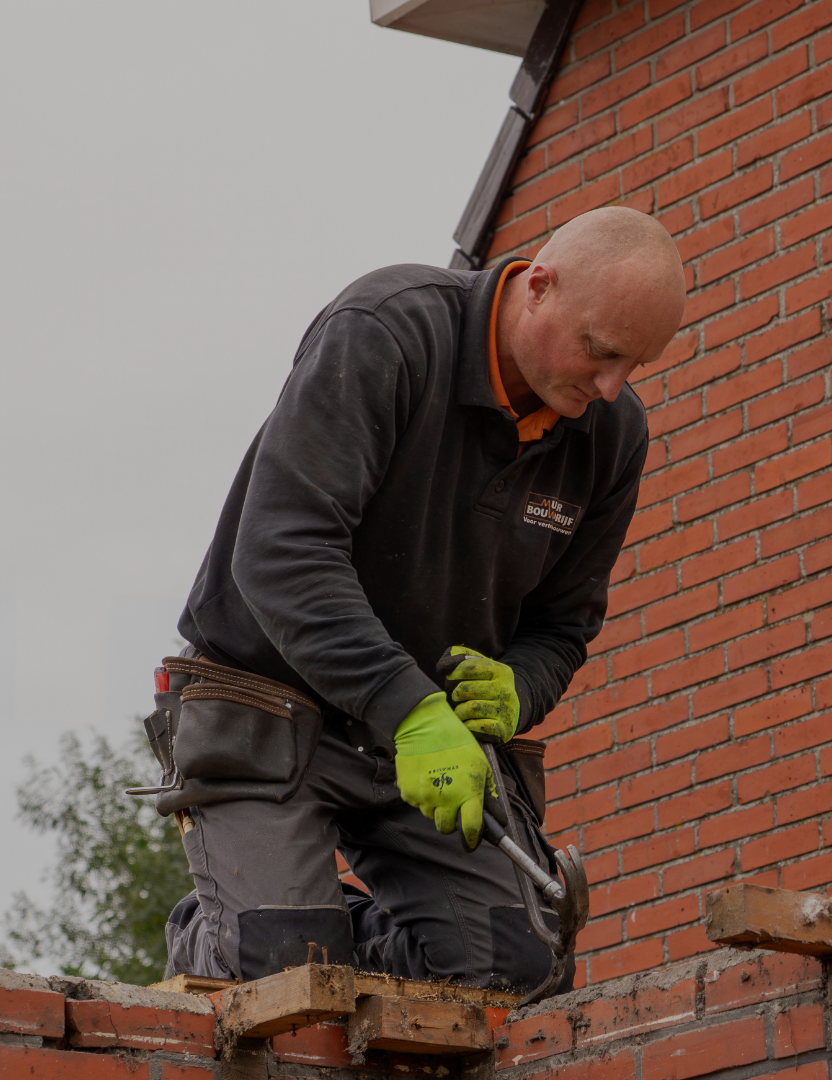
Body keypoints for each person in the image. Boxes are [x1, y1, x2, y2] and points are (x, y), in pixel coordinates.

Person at [159, 207, 686, 993]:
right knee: (285, 975)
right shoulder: (388, 332)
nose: (609, 387)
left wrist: (521, 688)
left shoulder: (611, 436)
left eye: (632, 366)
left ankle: (319, 935)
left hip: (427, 742)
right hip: (268, 705)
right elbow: (280, 555)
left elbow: (563, 625)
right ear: (537, 287)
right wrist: (407, 707)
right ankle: (222, 934)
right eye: (600, 352)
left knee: (517, 971)